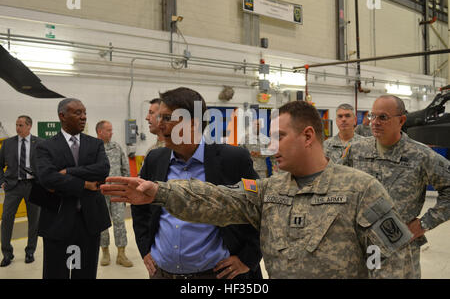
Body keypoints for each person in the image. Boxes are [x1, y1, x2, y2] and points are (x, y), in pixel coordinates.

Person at [102, 100, 414, 279]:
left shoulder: (361, 190)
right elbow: (218, 198)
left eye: (278, 137)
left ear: (308, 136)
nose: (269, 146)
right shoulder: (269, 190)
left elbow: (395, 265)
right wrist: (160, 192)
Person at [130, 87, 263, 279]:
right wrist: (145, 249)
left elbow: (259, 209)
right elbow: (140, 208)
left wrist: (247, 259)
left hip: (216, 275)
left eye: (167, 118)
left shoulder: (232, 159)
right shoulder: (155, 159)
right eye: (159, 118)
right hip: (162, 273)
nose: (159, 125)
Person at [339, 95, 450, 278]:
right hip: (359, 244)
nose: (375, 122)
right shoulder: (357, 150)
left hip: (398, 248)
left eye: (383, 117)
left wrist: (424, 223)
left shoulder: (421, 155)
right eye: (372, 116)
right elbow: (338, 183)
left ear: (401, 120)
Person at [36, 98, 111, 279]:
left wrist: (68, 172)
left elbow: (102, 169)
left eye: (84, 112)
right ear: (62, 116)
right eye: (78, 113)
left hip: (89, 221)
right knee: (56, 272)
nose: (83, 117)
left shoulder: (96, 144)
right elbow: (48, 178)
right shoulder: (45, 146)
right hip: (58, 220)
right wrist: (84, 184)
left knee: (85, 273)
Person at [0, 115, 42, 267]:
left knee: (34, 221)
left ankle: (30, 251)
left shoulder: (40, 143)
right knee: (6, 220)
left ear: (29, 126)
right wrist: (2, 181)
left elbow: (46, 165)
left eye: (21, 125)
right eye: (16, 125)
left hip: (33, 186)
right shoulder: (8, 144)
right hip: (13, 186)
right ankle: (6, 253)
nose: (17, 128)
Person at [96, 120, 133, 267]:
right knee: (102, 224)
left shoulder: (116, 147)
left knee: (119, 222)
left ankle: (121, 254)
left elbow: (126, 170)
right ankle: (105, 253)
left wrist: (127, 188)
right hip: (99, 192)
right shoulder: (93, 148)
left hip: (117, 192)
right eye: (109, 130)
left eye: (111, 130)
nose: (112, 133)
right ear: (100, 132)